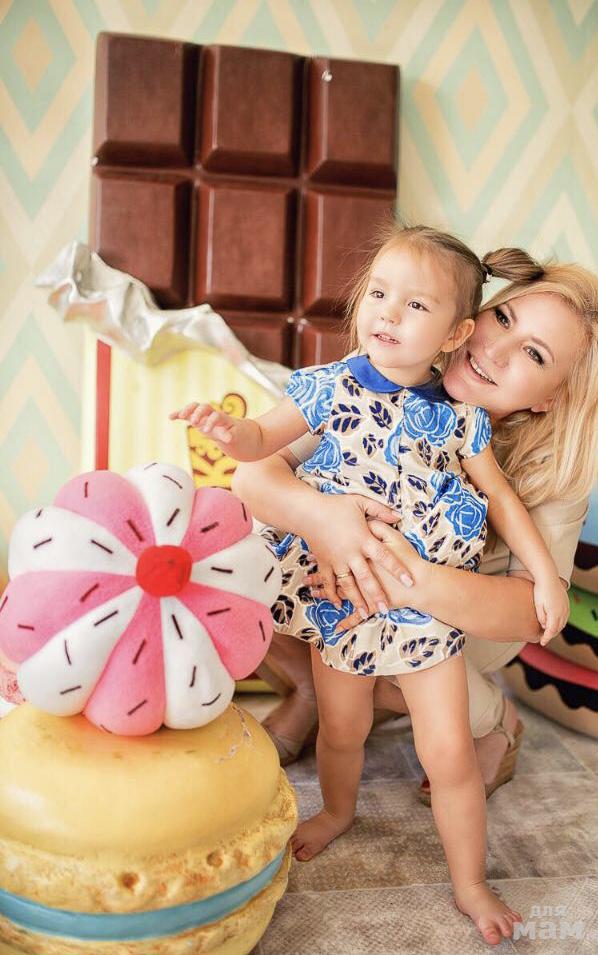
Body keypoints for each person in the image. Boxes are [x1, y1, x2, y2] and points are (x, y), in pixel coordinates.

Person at [171, 225, 582, 945]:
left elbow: (502, 502)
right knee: (343, 729)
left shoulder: (462, 421)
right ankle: (337, 810)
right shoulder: (336, 384)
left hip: (436, 622)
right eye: (381, 295)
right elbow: (258, 449)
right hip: (344, 602)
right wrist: (234, 436)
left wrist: (545, 574)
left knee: (448, 755)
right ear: (474, 327)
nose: (390, 314)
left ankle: (471, 881)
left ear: (451, 329)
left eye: (414, 304)